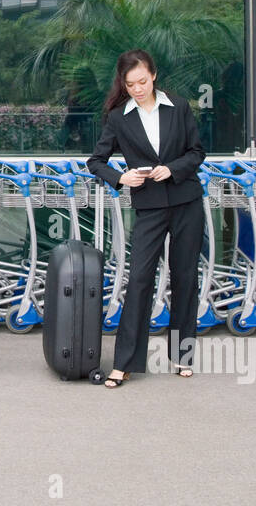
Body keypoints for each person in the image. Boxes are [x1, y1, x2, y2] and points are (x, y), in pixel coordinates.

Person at [86, 50, 205, 388]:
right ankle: (124, 363)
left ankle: (182, 356)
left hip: (186, 201)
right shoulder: (119, 117)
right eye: (130, 84)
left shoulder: (178, 107)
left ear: (154, 75)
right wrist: (121, 178)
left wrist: (173, 168)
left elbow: (197, 152)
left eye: (142, 81)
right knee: (139, 279)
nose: (137, 88)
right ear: (123, 84)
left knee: (185, 278)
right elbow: (96, 161)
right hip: (149, 206)